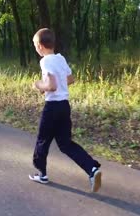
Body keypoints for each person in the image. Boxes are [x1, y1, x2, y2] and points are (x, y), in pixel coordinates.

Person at [29, 28, 102, 192]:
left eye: (35, 45)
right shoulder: (60, 58)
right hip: (64, 106)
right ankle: (92, 169)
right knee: (66, 144)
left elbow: (51, 86)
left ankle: (42, 174)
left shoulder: (45, 61)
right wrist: (49, 86)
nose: (35, 48)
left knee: (43, 140)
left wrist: (38, 85)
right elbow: (70, 79)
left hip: (52, 107)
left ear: (40, 46)